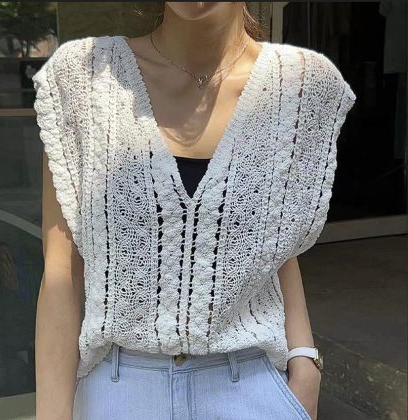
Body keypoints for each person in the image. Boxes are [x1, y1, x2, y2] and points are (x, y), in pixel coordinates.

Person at [33, 2, 356, 419]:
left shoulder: (302, 87)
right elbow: (62, 273)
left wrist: (304, 361)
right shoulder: (83, 78)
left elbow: (274, 247)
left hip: (252, 388)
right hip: (120, 391)